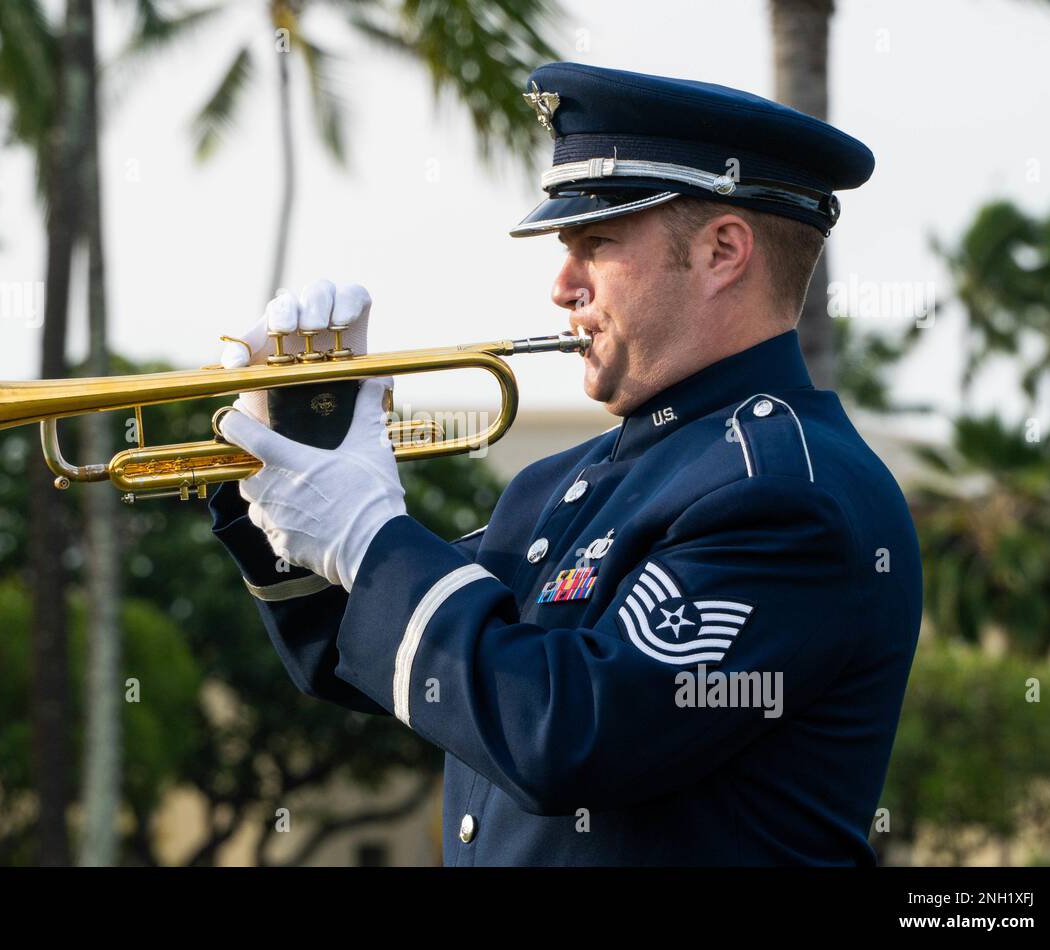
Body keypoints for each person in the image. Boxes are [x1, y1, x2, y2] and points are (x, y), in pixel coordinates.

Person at [207, 62, 922, 865]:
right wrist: (290, 464)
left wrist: (368, 532)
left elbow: (572, 730)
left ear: (724, 251)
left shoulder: (785, 488)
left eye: (597, 244)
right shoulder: (561, 483)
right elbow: (359, 654)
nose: (561, 284)